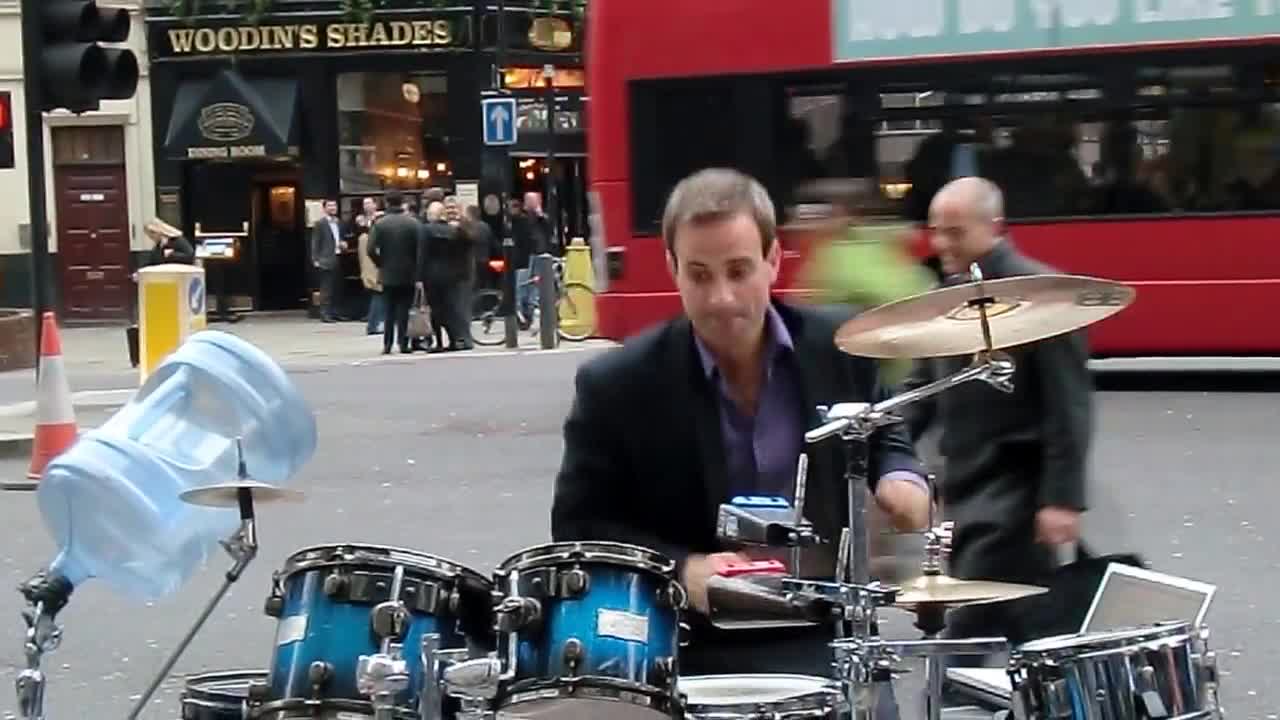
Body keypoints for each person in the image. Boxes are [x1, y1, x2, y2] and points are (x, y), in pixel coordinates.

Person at [551, 168, 930, 718]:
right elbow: (579, 525)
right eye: (699, 275)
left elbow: (883, 434)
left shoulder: (842, 346)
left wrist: (901, 476)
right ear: (672, 269)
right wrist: (684, 569)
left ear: (774, 261)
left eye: (739, 271)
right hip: (691, 643)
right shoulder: (618, 384)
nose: (721, 298)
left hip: (824, 628)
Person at [902, 176, 1092, 654]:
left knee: (974, 635)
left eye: (955, 232)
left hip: (1014, 499)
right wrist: (880, 441)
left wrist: (1061, 499)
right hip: (965, 492)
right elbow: (922, 389)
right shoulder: (950, 293)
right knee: (1021, 635)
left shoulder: (1042, 296)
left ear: (995, 228)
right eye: (936, 231)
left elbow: (1069, 407)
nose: (941, 243)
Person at [369, 190, 423, 355]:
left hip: (388, 272)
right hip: (408, 272)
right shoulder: (413, 223)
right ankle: (403, 343)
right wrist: (417, 272)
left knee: (389, 310)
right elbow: (420, 251)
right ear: (402, 203)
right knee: (404, 310)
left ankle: (387, 344)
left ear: (386, 203)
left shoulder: (380, 224)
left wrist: (381, 263)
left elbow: (370, 249)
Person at [311, 199, 347, 323]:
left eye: (334, 205)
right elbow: (315, 242)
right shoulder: (320, 224)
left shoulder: (339, 222)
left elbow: (340, 238)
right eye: (330, 206)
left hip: (338, 256)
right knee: (326, 288)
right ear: (325, 208)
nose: (332, 208)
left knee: (337, 287)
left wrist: (343, 244)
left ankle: (336, 312)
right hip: (326, 259)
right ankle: (325, 314)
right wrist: (315, 259)